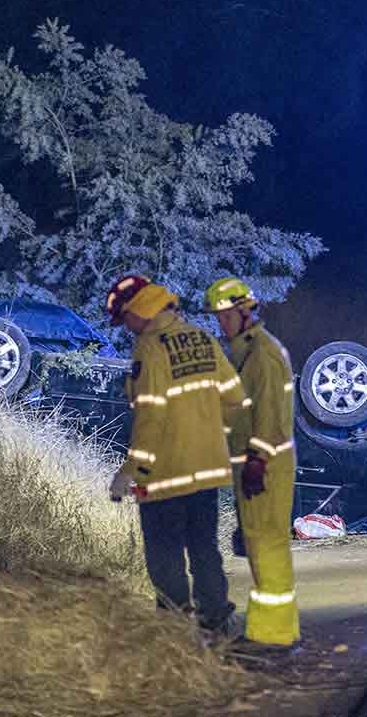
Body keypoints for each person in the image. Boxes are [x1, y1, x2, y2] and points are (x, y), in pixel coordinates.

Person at [106, 274, 244, 636]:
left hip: (166, 474)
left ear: (141, 310)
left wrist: (129, 471)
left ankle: (174, 631)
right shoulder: (203, 340)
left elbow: (150, 415)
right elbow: (233, 396)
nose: (127, 327)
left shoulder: (150, 349)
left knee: (164, 557)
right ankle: (217, 623)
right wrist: (211, 436)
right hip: (208, 470)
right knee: (204, 550)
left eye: (127, 318)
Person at [205, 276, 300, 647]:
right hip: (254, 463)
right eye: (218, 317)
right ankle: (267, 631)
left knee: (269, 547)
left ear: (246, 311)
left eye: (227, 315)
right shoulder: (246, 352)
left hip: (267, 464)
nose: (222, 323)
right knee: (260, 547)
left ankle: (274, 635)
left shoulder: (263, 354)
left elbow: (271, 416)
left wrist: (257, 459)